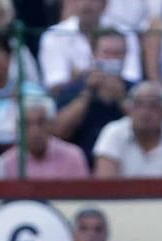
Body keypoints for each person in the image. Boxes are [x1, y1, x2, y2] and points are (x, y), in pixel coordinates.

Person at [52, 27, 135, 161]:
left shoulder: (136, 91)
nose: (112, 59)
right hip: (81, 162)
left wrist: (122, 99)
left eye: (117, 54)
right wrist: (88, 92)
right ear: (94, 54)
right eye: (107, 53)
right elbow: (58, 132)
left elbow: (148, 129)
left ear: (125, 56)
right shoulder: (74, 89)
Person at [92, 80, 162, 177]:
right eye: (139, 105)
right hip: (121, 201)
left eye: (153, 106)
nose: (145, 112)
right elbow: (105, 184)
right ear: (129, 110)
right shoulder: (112, 133)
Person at [39, 0, 142, 93]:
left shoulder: (125, 33)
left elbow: (132, 79)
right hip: (71, 101)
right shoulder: (54, 35)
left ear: (105, 4)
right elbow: (54, 86)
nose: (86, 4)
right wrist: (87, 80)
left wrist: (79, 76)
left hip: (118, 97)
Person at [0, 94, 90, 178]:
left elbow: (83, 196)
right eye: (27, 124)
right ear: (19, 127)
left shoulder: (73, 157)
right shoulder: (6, 163)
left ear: (51, 124)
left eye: (41, 122)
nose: (35, 131)